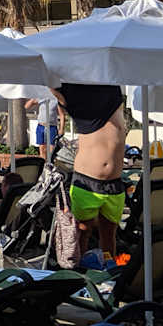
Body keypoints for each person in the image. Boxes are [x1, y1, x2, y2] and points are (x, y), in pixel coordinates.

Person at [57, 82, 128, 261]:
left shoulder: (112, 94)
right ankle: (79, 269)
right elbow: (54, 86)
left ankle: (107, 268)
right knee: (82, 232)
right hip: (87, 181)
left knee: (109, 234)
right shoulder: (79, 104)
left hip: (114, 184)